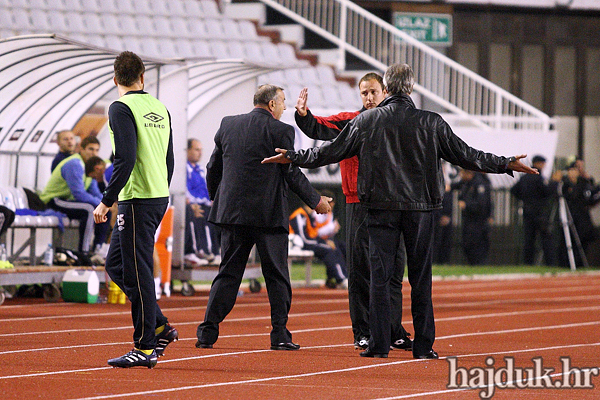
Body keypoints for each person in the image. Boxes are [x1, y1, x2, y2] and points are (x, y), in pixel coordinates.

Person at [262, 63, 538, 359]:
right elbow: (466, 155)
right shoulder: (431, 122)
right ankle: (423, 346)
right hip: (421, 210)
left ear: (387, 88)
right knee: (420, 278)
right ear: (411, 86)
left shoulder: (366, 121)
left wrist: (292, 156)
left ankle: (378, 345)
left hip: (379, 208)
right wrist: (505, 162)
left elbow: (328, 152)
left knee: (379, 278)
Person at [195, 84, 331, 351]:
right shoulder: (281, 130)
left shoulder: (228, 124)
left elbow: (213, 167)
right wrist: (316, 201)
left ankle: (207, 332)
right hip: (268, 215)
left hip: (232, 214)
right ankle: (279, 334)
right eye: (282, 102)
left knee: (228, 274)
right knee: (277, 276)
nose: (283, 107)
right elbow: (290, 172)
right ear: (271, 105)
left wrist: (218, 199)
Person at [294, 73, 412, 351]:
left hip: (392, 203)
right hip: (358, 203)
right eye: (364, 93)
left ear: (385, 92)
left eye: (373, 92)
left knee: (393, 271)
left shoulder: (397, 122)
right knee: (360, 270)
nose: (369, 98)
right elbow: (320, 127)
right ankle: (362, 331)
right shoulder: (352, 121)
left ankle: (393, 329)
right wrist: (304, 116)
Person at [93, 51, 178, 369]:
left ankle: (144, 347)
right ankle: (159, 327)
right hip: (156, 196)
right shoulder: (160, 107)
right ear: (143, 77)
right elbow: (169, 159)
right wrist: (161, 189)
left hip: (138, 199)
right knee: (117, 266)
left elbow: (124, 158)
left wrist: (106, 200)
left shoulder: (120, 107)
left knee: (138, 271)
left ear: (115, 79)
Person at [40, 135, 110, 256]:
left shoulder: (89, 166)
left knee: (104, 210)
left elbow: (93, 190)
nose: (94, 153)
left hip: (69, 201)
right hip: (54, 200)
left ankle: (98, 249)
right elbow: (78, 194)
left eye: (97, 150)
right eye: (90, 149)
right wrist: (99, 203)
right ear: (81, 149)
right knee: (89, 210)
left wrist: (105, 204)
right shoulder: (74, 164)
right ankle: (83, 252)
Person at [510, 155, 560, 265]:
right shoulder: (538, 178)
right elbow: (547, 191)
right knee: (546, 238)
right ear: (538, 163)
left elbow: (514, 190)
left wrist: (524, 199)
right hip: (539, 212)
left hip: (527, 211)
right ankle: (550, 263)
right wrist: (555, 182)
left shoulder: (524, 178)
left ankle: (528, 263)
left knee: (529, 240)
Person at [289, 201, 347, 289]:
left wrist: (324, 241)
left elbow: (313, 235)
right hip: (297, 244)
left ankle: (339, 277)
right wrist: (323, 243)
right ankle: (341, 278)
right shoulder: (299, 215)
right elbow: (303, 239)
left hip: (307, 242)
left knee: (336, 247)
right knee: (328, 249)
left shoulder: (310, 216)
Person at [184, 138, 220, 267]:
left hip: (204, 204)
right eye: (196, 149)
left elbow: (205, 190)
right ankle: (201, 251)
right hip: (193, 205)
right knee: (201, 214)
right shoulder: (184, 169)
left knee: (216, 214)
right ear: (187, 150)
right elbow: (184, 190)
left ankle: (214, 252)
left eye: (201, 150)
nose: (200, 153)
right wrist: (191, 203)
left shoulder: (199, 170)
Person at [559, 158, 600, 267]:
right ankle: (567, 264)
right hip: (569, 217)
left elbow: (589, 199)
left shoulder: (584, 183)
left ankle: (580, 263)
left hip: (583, 219)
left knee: (583, 241)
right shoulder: (564, 185)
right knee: (568, 241)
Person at [454, 169, 493, 265]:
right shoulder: (467, 183)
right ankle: (472, 263)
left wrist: (467, 205)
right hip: (469, 219)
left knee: (476, 244)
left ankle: (478, 263)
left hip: (477, 220)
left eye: (462, 173)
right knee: (467, 243)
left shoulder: (479, 183)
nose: (461, 175)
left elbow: (481, 204)